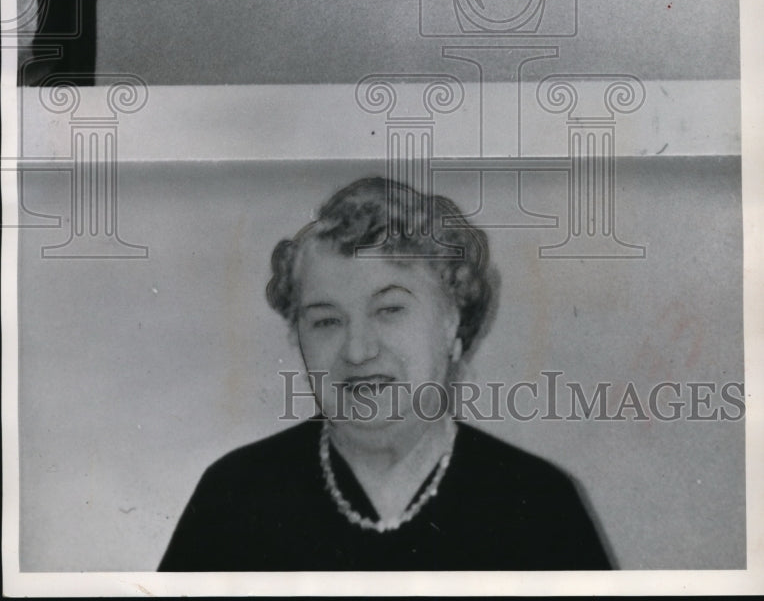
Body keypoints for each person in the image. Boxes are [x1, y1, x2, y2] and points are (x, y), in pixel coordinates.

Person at [159, 176, 613, 571]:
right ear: (299, 338)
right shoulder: (236, 496)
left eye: (389, 310)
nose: (357, 351)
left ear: (453, 322)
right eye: (326, 321)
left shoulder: (537, 504)